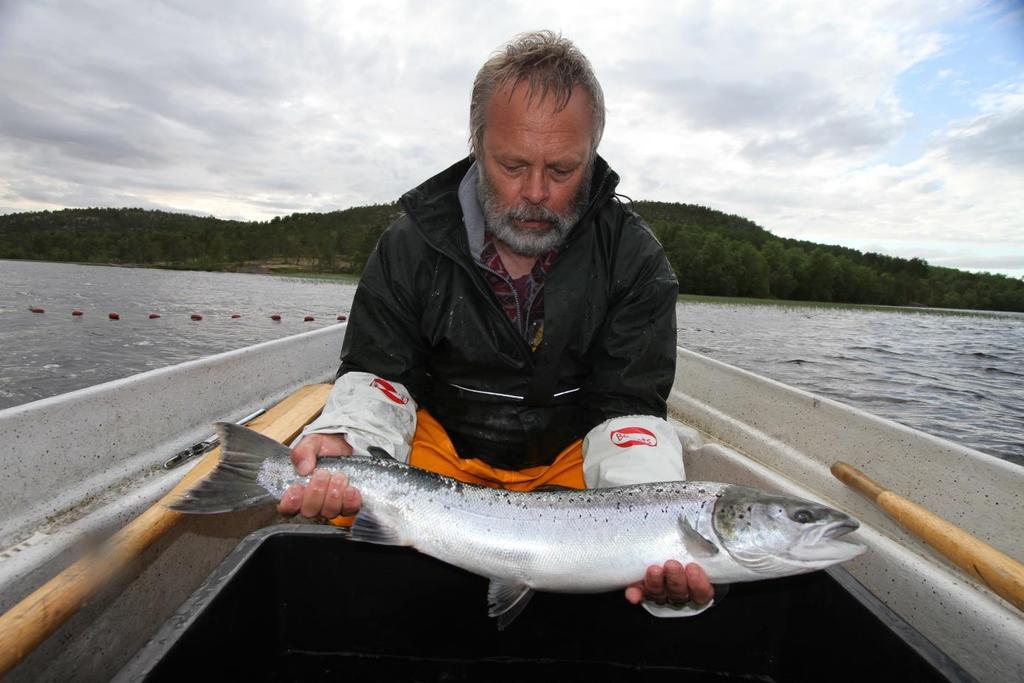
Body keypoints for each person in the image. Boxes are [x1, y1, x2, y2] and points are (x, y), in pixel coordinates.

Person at [279, 31, 716, 615]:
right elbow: (381, 373)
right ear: (477, 143)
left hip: (571, 466)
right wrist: (348, 441)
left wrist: (654, 541)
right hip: (437, 458)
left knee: (649, 561)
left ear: (593, 154)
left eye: (562, 169)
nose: (535, 193)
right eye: (512, 164)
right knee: (344, 503)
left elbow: (627, 411)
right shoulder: (410, 245)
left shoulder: (635, 260)